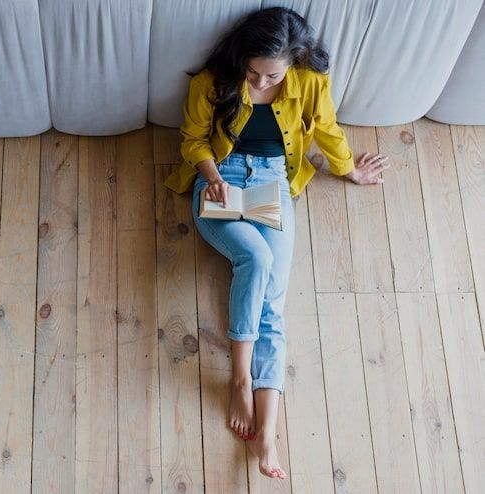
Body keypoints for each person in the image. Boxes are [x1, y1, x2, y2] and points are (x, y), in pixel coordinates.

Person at [163, 7, 389, 480]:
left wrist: (348, 170)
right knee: (256, 256)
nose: (262, 82)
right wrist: (210, 176)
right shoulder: (211, 82)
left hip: (273, 185)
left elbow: (326, 130)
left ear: (294, 62)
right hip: (220, 181)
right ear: (241, 58)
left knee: (274, 304)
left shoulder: (309, 82)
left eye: (272, 75)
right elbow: (192, 140)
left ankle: (269, 430)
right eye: (253, 72)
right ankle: (240, 379)